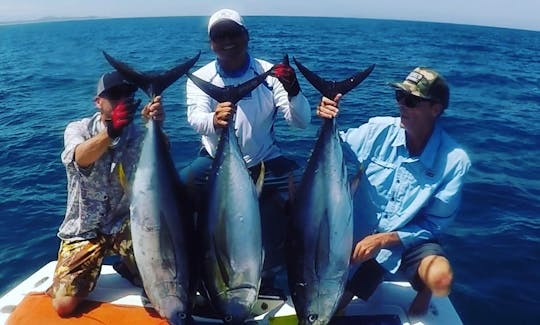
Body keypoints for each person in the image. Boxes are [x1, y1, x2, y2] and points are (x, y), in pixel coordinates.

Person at [317, 67, 471, 315]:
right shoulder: (378, 130)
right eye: (399, 97)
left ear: (436, 109)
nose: (401, 105)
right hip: (352, 235)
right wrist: (327, 118)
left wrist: (384, 239)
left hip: (405, 240)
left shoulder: (454, 160)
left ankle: (424, 291)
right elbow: (335, 154)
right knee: (329, 309)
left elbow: (434, 225)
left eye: (411, 100)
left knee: (441, 275)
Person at [180, 8, 311, 286]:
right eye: (220, 36)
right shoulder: (202, 78)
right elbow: (195, 117)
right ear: (211, 43)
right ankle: (191, 261)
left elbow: (300, 122)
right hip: (216, 162)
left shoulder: (270, 73)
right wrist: (214, 120)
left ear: (246, 36)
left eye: (233, 34)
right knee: (178, 190)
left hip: (267, 161)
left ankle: (283, 270)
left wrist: (294, 90)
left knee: (310, 196)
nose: (228, 41)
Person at [46, 71, 164, 317]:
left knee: (162, 284)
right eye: (113, 95)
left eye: (126, 94)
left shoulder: (139, 134)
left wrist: (154, 127)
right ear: (97, 101)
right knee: (63, 306)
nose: (121, 99)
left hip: (125, 226)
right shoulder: (78, 129)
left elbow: (161, 162)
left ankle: (128, 265)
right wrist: (111, 132)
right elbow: (80, 158)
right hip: (83, 230)